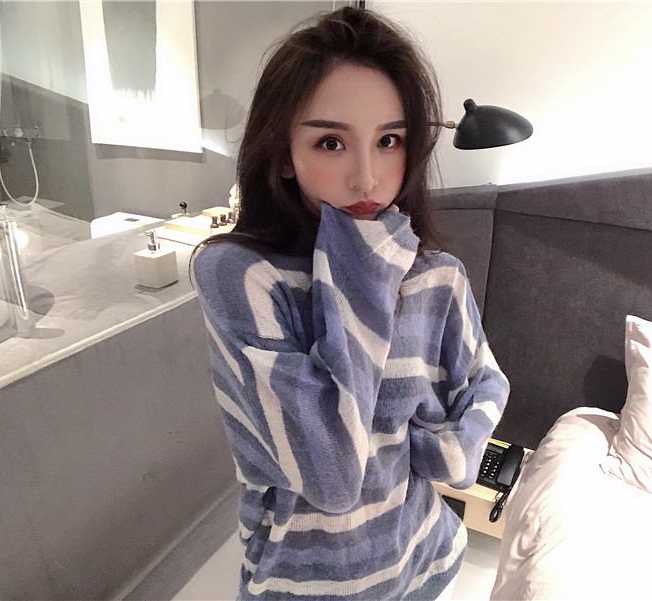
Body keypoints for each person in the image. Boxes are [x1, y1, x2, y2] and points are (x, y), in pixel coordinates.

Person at [191, 7, 509, 600]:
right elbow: (332, 476)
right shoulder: (241, 276)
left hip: (422, 563)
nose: (367, 178)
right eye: (331, 142)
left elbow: (487, 382)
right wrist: (364, 262)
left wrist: (448, 451)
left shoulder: (438, 276)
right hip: (300, 585)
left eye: (389, 141)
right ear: (283, 154)